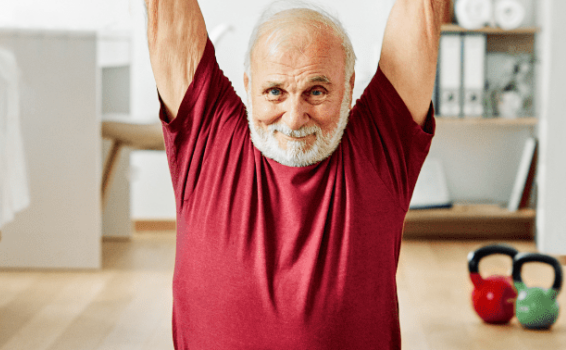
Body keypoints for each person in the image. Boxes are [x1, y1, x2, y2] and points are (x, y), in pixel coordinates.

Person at [144, 0, 446, 348]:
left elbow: (419, 12)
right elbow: (169, 19)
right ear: (248, 85)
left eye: (316, 92)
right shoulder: (207, 137)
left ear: (348, 89)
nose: (293, 117)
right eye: (275, 92)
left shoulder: (381, 147)